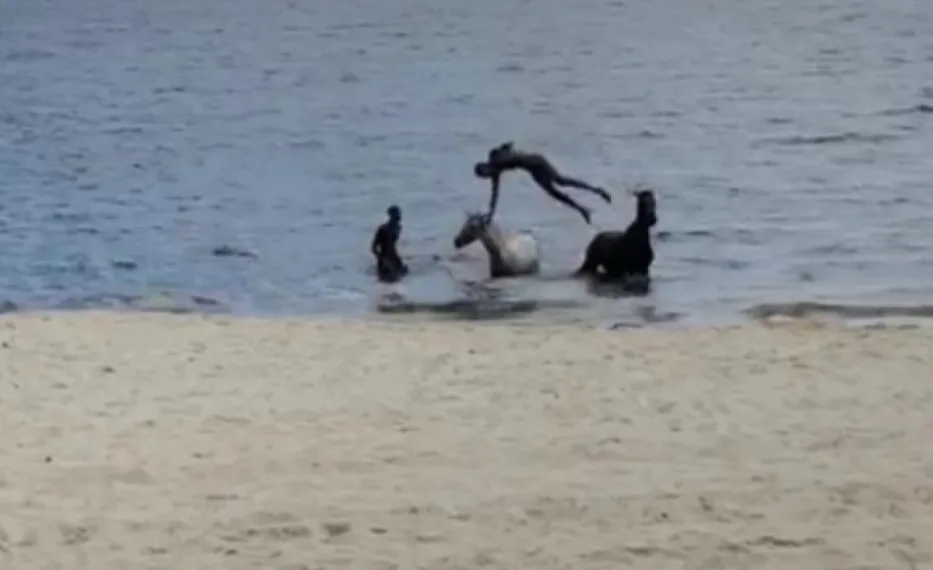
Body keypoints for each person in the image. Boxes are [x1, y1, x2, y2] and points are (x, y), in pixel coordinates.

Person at [473, 141, 612, 224]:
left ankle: (597, 191)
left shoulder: (496, 160)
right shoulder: (495, 170)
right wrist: (491, 214)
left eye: (485, 174)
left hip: (537, 162)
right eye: (485, 177)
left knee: (561, 181)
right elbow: (495, 194)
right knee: (554, 193)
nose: (488, 177)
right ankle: (582, 210)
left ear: (485, 167)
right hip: (532, 169)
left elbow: (507, 152)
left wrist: (506, 149)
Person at [371, 205, 408, 282]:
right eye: (396, 216)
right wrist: (383, 260)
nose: (399, 218)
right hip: (384, 258)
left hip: (394, 258)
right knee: (385, 281)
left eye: (399, 215)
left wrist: (398, 261)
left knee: (402, 277)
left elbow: (392, 247)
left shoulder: (398, 228)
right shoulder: (383, 229)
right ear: (391, 216)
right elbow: (373, 248)